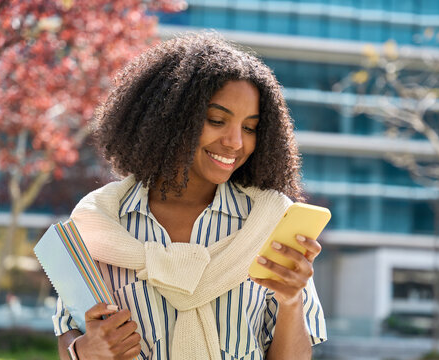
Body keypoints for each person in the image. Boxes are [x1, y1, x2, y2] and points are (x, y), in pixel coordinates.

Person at [54, 33, 326, 360]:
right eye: (216, 120)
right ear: (170, 119)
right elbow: (69, 327)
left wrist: (292, 301)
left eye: (250, 127)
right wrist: (83, 351)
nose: (235, 142)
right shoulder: (97, 223)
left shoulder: (271, 224)